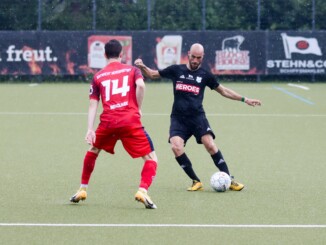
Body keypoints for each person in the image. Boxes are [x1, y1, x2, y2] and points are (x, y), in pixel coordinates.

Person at [134, 43, 261, 191]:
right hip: (178, 118)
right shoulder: (176, 70)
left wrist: (245, 99)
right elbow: (152, 74)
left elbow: (223, 91)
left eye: (198, 58)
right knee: (176, 147)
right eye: (193, 57)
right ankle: (196, 181)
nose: (195, 60)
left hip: (197, 117)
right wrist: (142, 66)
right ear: (188, 54)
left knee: (210, 144)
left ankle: (228, 178)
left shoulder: (205, 75)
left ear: (202, 57)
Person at [70, 39, 158, 209]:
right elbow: (140, 85)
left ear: (104, 55)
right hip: (129, 121)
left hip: (108, 122)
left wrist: (90, 129)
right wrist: (138, 108)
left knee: (94, 150)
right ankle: (142, 190)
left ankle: (82, 188)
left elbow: (93, 103)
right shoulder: (132, 70)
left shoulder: (98, 76)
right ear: (121, 54)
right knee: (151, 158)